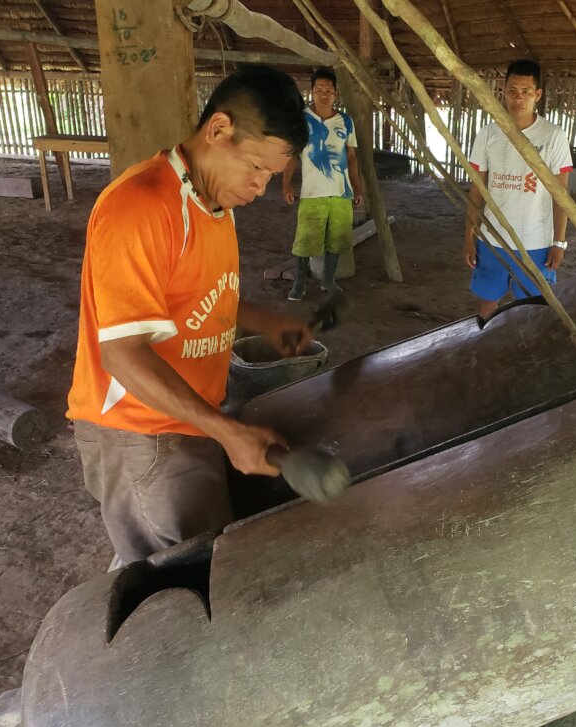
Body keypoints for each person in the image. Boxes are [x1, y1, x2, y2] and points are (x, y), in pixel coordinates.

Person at [67, 64, 315, 568]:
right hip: (140, 431)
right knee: (179, 577)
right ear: (218, 130)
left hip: (184, 420)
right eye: (255, 168)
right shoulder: (140, 207)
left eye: (270, 174)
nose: (260, 187)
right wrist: (226, 432)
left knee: (174, 558)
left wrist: (264, 322)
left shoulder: (212, 204)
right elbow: (121, 352)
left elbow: (195, 299)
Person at [461, 59, 573, 319]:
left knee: (534, 307)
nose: (518, 98)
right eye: (512, 90)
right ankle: (486, 345)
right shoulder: (489, 134)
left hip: (536, 242)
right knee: (488, 302)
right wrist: (469, 235)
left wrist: (559, 243)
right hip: (492, 237)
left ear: (538, 94)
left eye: (525, 91)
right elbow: (476, 190)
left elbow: (561, 196)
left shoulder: (552, 136)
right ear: (503, 90)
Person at [283, 67, 365, 300]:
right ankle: (299, 283)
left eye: (329, 90)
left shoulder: (345, 121)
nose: (324, 94)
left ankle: (328, 280)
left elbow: (351, 156)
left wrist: (357, 188)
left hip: (341, 192)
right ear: (312, 92)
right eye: (319, 89)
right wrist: (286, 184)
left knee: (337, 239)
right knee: (305, 240)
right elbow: (292, 154)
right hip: (312, 193)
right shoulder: (301, 119)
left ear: (335, 93)